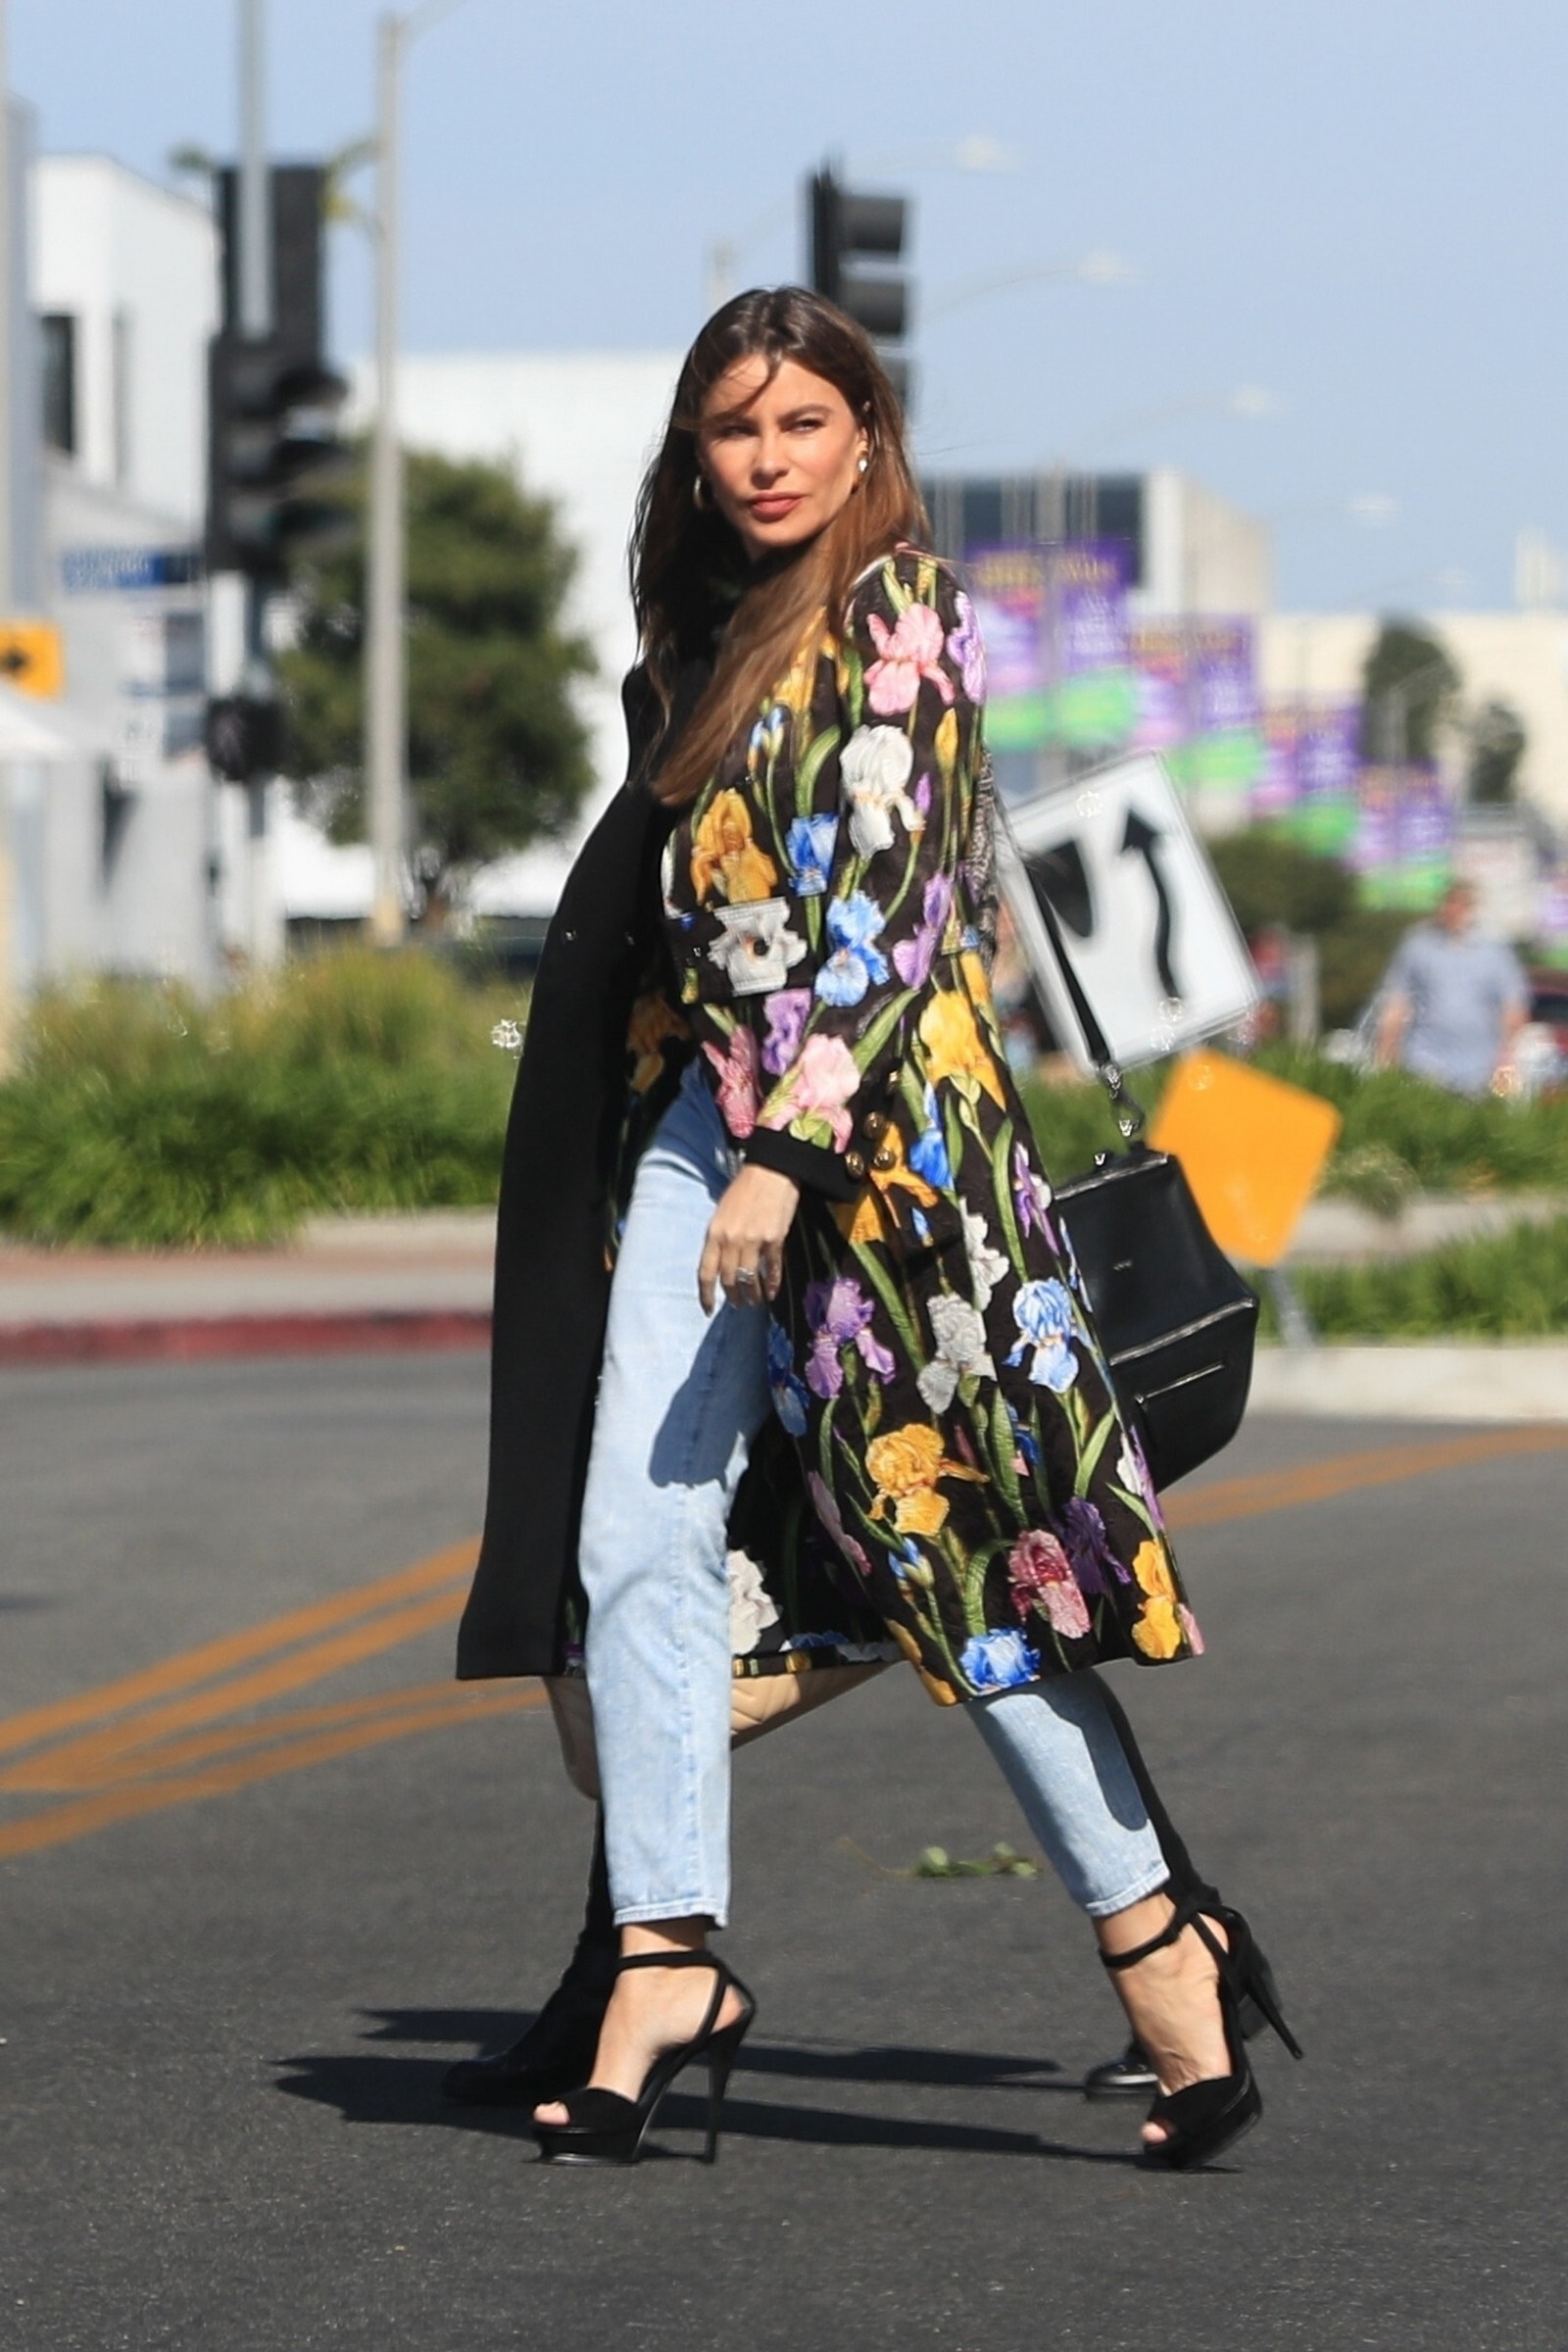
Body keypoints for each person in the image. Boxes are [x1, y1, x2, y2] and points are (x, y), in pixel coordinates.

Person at [455, 287, 1298, 2172]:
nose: (766, 460)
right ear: (696, 450)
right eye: (733, 428)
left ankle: (1160, 1943)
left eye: (800, 425)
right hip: (708, 1129)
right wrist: (687, 1139)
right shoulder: (707, 632)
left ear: (864, 441)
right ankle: (665, 1959)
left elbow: (896, 914)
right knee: (635, 1539)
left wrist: (790, 1156)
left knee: (970, 1577)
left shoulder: (901, 608)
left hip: (895, 1162)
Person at [1374, 878, 1529, 1095]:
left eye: (1461, 904)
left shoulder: (1495, 953)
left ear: (1473, 909)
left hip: (1479, 1062)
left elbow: (1513, 1007)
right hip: (1424, 1056)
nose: (1453, 910)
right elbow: (1397, 1002)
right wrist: (1386, 1053)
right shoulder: (1418, 946)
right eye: (1449, 903)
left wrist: (1506, 1059)